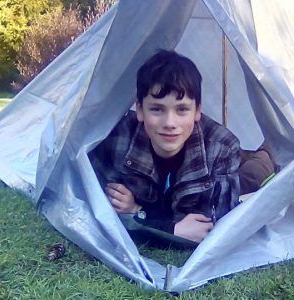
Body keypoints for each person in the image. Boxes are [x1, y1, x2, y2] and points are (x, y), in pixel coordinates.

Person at [92, 50, 241, 243]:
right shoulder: (114, 138)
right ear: (139, 110)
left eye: (182, 109)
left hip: (233, 165)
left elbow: (212, 228)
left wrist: (137, 212)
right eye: (157, 109)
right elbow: (103, 210)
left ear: (197, 111)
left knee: (256, 172)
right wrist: (171, 228)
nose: (170, 122)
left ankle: (264, 152)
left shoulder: (224, 148)